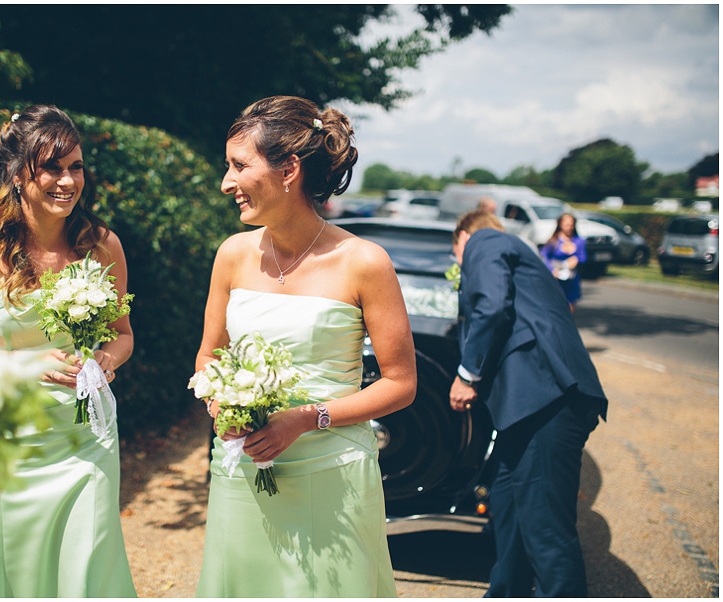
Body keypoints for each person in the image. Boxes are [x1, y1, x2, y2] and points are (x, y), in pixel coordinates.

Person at [193, 95, 416, 597]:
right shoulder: (232, 255)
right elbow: (209, 356)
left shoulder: (364, 262)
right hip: (245, 461)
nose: (226, 183)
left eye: (238, 166)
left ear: (289, 168)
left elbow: (401, 384)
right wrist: (220, 401)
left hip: (330, 470)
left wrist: (306, 418)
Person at [0, 104, 137, 597]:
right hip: (6, 438)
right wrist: (22, 363)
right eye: (52, 167)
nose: (68, 180)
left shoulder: (102, 246)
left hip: (86, 437)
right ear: (16, 173)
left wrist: (103, 363)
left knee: (87, 560)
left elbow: (122, 333)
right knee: (10, 568)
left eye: (75, 167)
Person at [448, 210, 608, 597]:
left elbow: (492, 305)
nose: (458, 261)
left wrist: (468, 374)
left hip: (545, 401)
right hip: (530, 406)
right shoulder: (515, 254)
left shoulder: (485, 242)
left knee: (547, 531)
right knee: (507, 502)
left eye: (455, 252)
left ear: (463, 238)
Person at [540, 212, 586, 311]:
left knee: (569, 305)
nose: (569, 227)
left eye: (571, 225)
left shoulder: (579, 241)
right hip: (555, 277)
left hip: (571, 279)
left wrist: (576, 260)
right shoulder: (554, 240)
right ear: (560, 224)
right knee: (554, 304)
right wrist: (551, 269)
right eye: (566, 224)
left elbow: (583, 257)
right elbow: (544, 255)